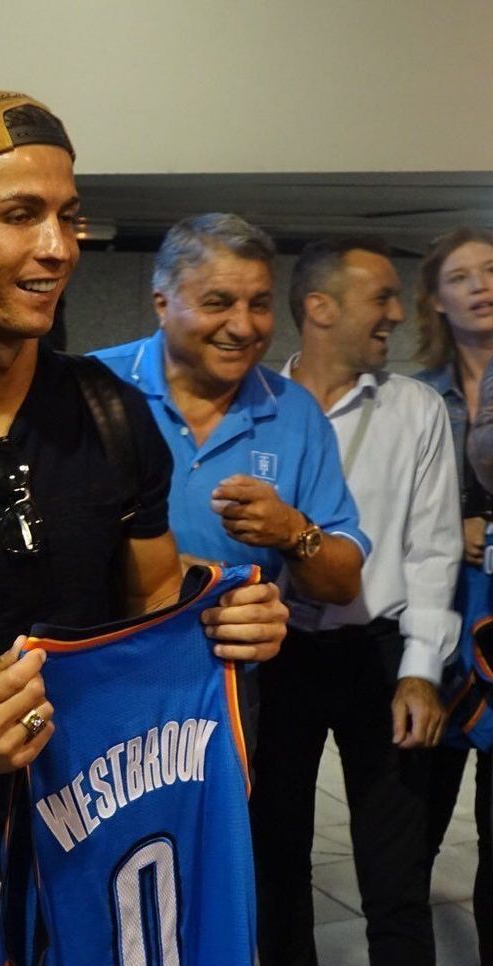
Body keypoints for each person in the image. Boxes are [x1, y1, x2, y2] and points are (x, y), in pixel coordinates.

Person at [0, 90, 288, 952]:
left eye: (68, 217)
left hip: (109, 828)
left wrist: (220, 612)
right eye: (20, 215)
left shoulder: (110, 412)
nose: (57, 248)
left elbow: (150, 597)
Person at [253, 237, 460, 965]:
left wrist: (420, 672)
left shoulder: (417, 410)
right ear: (319, 307)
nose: (399, 314)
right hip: (275, 656)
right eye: (382, 298)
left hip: (379, 656)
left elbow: (433, 550)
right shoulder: (257, 408)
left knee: (395, 878)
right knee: (273, 865)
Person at [94, 214, 368, 601]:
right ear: (162, 303)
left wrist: (293, 531)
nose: (243, 326)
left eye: (259, 305)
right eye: (217, 303)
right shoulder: (93, 388)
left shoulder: (296, 412)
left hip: (237, 660)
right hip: (103, 654)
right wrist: (172, 577)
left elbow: (342, 588)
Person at [414, 225, 493, 964]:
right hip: (441, 610)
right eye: (462, 277)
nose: (481, 285)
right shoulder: (415, 396)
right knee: (419, 806)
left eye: (491, 270)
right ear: (435, 301)